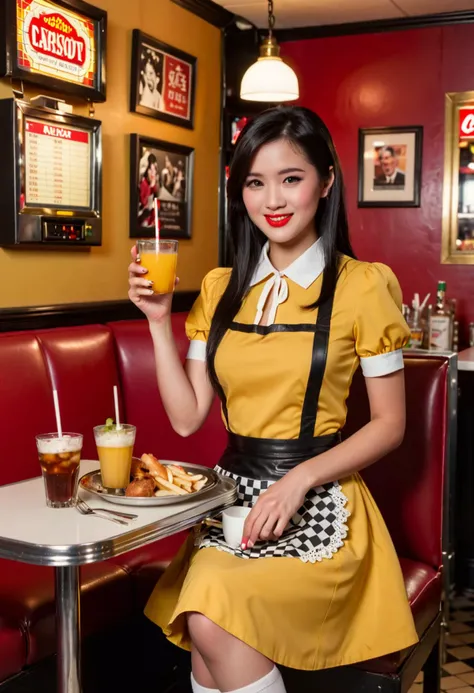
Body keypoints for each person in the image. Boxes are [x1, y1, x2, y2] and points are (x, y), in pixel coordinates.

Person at [128, 106, 418, 693]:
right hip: (232, 503)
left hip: (322, 503)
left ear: (326, 181)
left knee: (209, 617)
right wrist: (159, 321)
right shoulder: (219, 288)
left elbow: (389, 425)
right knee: (207, 614)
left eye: (291, 178)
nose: (273, 199)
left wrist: (298, 480)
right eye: (256, 183)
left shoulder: (363, 286)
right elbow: (187, 420)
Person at [138, 154, 159, 227]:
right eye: (151, 169)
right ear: (147, 170)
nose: (153, 173)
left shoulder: (155, 186)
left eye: (155, 169)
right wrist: (151, 187)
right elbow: (145, 204)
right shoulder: (143, 184)